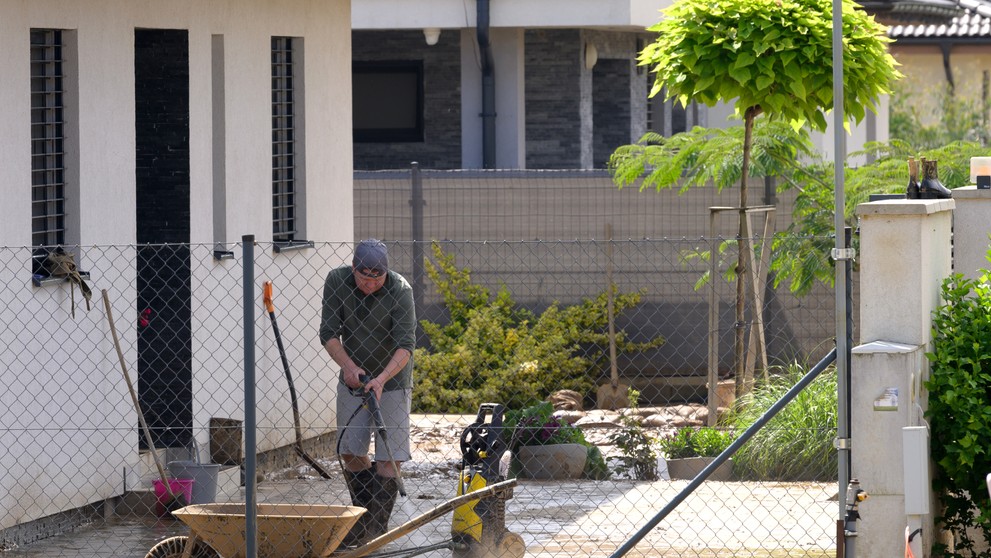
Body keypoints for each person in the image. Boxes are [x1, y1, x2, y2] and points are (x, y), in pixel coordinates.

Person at [319, 239, 416, 546]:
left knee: (389, 457)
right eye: (364, 279)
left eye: (377, 279)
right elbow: (329, 333)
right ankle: (362, 520)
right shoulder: (337, 281)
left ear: (386, 273)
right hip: (354, 378)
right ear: (353, 270)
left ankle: (375, 529)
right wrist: (348, 367)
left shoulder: (401, 290)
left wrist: (383, 378)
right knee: (350, 450)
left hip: (393, 379)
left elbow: (406, 346)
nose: (371, 284)